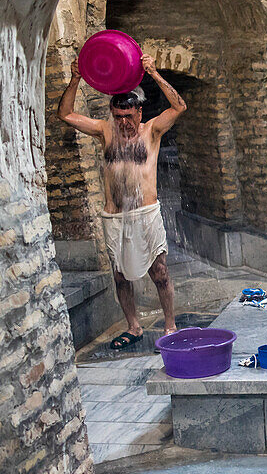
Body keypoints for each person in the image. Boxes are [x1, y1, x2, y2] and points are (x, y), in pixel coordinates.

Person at [57, 53, 187, 349]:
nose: (124, 122)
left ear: (140, 112)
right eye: (118, 117)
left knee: (160, 272)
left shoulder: (151, 131)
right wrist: (76, 77)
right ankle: (134, 326)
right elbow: (65, 114)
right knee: (119, 275)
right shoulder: (105, 131)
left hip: (145, 214)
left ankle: (170, 326)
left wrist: (152, 72)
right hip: (115, 217)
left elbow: (179, 106)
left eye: (129, 116)